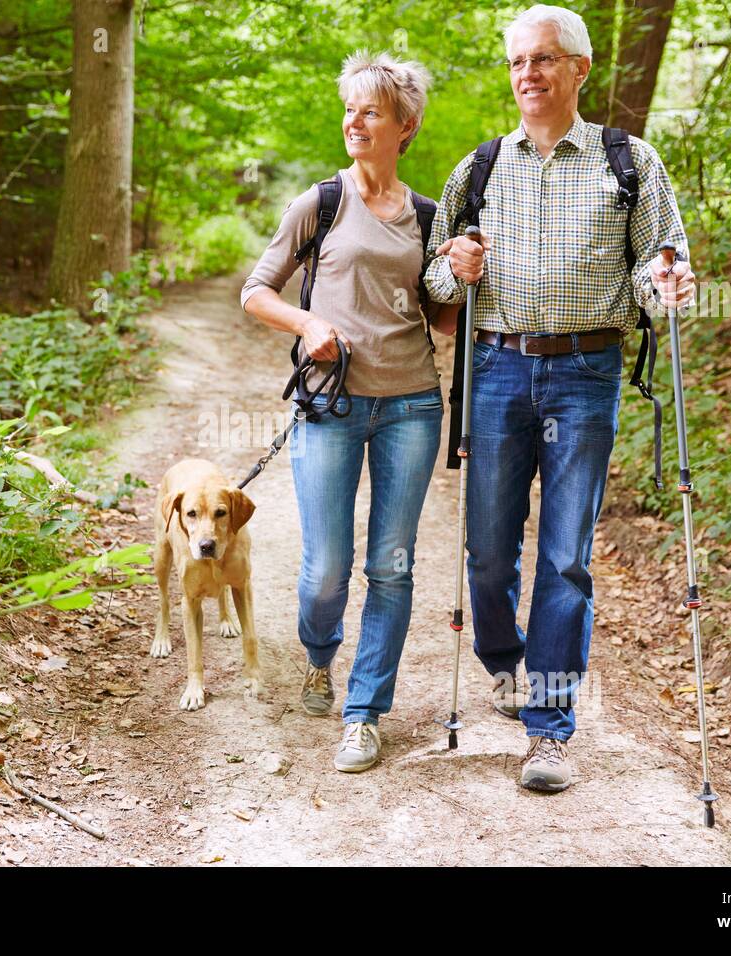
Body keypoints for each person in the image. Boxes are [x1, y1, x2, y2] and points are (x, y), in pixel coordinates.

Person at [423, 3, 696, 791]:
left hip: (586, 373)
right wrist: (457, 268)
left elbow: (654, 267)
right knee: (485, 552)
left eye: (543, 60)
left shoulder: (630, 163)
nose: (528, 75)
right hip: (498, 369)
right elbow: (437, 279)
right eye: (517, 62)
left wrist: (668, 282)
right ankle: (503, 662)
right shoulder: (478, 169)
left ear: (579, 69)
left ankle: (548, 729)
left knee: (567, 558)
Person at [241, 51, 443, 773]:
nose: (354, 121)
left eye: (370, 111)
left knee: (391, 566)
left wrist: (469, 271)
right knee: (327, 566)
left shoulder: (427, 216)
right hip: (329, 404)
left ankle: (365, 712)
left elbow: (444, 319)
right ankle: (319, 656)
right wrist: (308, 328)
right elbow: (255, 291)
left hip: (413, 406)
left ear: (404, 126)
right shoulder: (320, 204)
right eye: (350, 108)